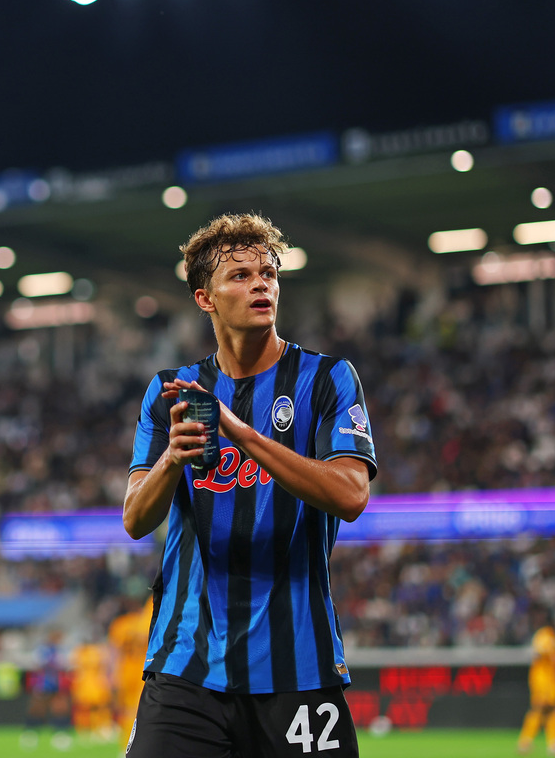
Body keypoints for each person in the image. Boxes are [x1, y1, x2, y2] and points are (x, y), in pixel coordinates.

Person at [123, 213, 376, 758]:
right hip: (185, 666)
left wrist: (239, 432)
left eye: (268, 273)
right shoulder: (169, 393)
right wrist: (171, 459)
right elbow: (135, 520)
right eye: (239, 275)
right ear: (204, 298)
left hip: (297, 667)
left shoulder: (329, 378)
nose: (260, 283)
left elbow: (352, 495)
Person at [107, 594, 153, 753]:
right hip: (141, 670)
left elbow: (114, 652)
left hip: (126, 671)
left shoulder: (120, 624)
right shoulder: (144, 621)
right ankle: (133, 746)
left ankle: (127, 746)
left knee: (129, 711)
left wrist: (112, 673)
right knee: (135, 710)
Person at [518, 609, 555, 755]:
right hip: (544, 680)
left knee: (553, 710)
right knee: (540, 709)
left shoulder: (549, 636)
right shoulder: (546, 635)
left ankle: (554, 743)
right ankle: (526, 741)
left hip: (550, 679)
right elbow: (539, 653)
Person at [21, 631, 74, 751]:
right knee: (38, 708)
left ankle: (60, 733)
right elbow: (37, 664)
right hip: (43, 682)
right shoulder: (43, 650)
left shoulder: (62, 650)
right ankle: (31, 732)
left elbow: (66, 664)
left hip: (58, 683)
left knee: (60, 707)